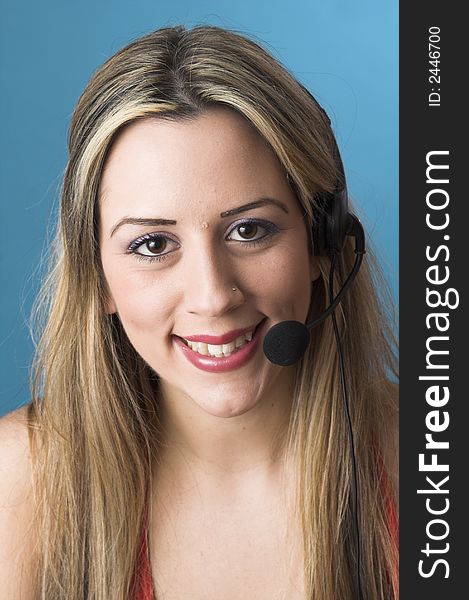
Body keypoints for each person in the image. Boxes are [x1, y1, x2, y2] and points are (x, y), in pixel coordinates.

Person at [0, 24, 398, 600]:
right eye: (153, 245)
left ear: (322, 242)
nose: (213, 296)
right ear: (100, 279)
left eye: (249, 230)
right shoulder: (20, 483)